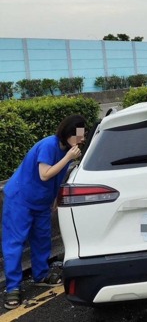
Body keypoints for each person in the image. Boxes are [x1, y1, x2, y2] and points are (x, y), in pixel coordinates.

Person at [2, 114, 86, 310]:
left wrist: (56, 196)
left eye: (84, 134)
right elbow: (45, 173)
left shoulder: (67, 149)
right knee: (15, 242)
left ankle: (41, 275)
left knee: (42, 239)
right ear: (68, 134)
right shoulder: (50, 145)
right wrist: (69, 157)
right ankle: (12, 287)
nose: (82, 139)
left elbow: (59, 175)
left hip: (41, 202)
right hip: (20, 199)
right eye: (79, 135)